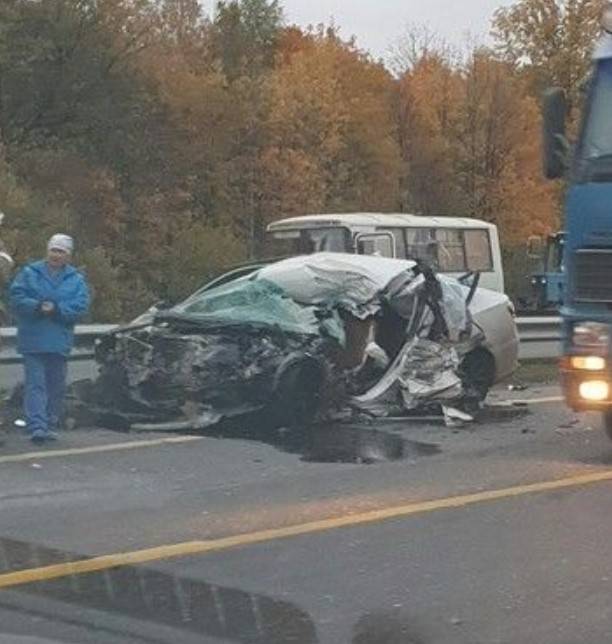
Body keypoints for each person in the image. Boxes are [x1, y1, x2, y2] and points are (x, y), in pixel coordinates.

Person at [9, 234, 90, 443]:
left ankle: (50, 421)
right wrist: (37, 306)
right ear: (47, 251)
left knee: (56, 385)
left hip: (59, 340)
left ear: (68, 255)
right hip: (33, 339)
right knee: (36, 384)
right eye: (53, 250)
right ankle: (37, 426)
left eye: (61, 251)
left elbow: (80, 306)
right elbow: (16, 298)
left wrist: (57, 309)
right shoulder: (29, 273)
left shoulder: (76, 280)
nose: (56, 255)